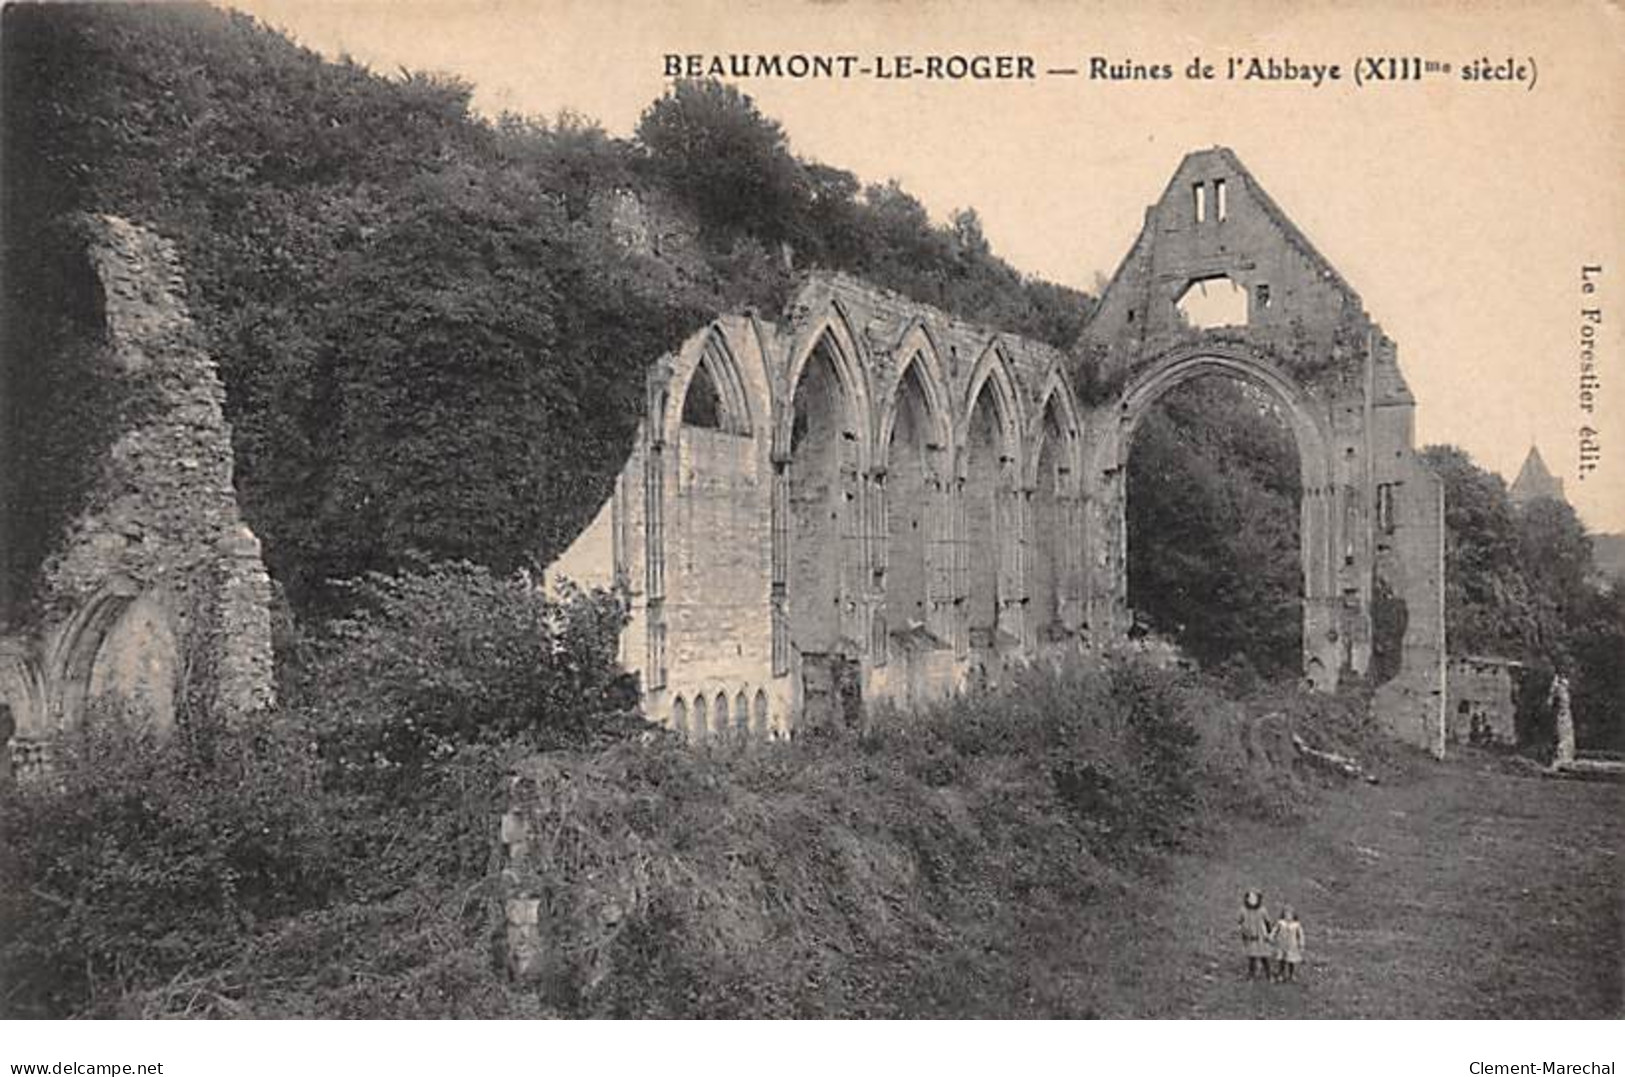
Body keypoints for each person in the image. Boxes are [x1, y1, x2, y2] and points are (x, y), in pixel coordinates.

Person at [1238, 889, 1273, 980]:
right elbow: (1240, 922)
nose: (1252, 901)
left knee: (1264, 956)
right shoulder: (1243, 910)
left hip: (1261, 936)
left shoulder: (1262, 910)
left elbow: (1267, 922)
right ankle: (1251, 974)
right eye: (1250, 898)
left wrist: (1269, 934)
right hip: (1251, 936)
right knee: (1252, 957)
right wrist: (1244, 933)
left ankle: (1268, 974)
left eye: (1254, 899)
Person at [1273, 905, 1305, 982]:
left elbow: (1301, 935)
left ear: (1293, 915)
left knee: (1291, 961)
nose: (1288, 916)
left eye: (1290, 915)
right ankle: (1281, 974)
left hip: (1292, 946)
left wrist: (1301, 944)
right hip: (1282, 945)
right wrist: (1271, 936)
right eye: (1286, 914)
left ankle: (1291, 975)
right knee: (1282, 960)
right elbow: (1275, 930)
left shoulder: (1296, 925)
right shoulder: (1280, 923)